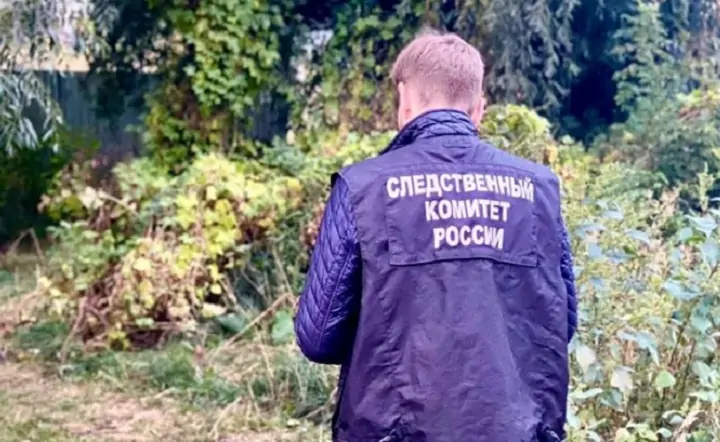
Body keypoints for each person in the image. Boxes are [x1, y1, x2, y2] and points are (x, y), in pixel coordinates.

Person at [294, 30, 578, 442]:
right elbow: (560, 323)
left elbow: (319, 338)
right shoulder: (538, 189)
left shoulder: (363, 187)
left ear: (404, 101)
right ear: (479, 109)